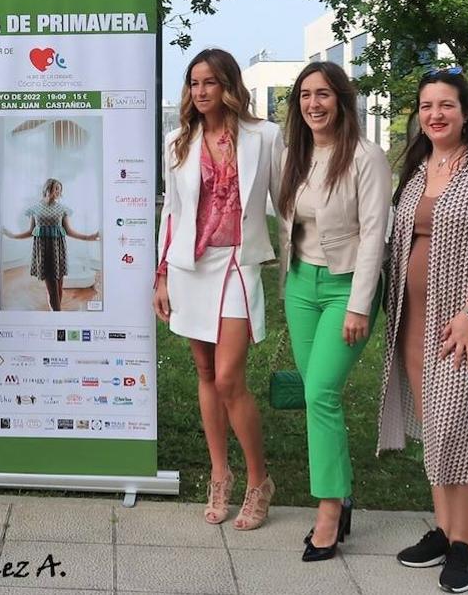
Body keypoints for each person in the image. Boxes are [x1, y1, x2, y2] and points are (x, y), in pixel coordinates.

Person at [377, 67, 468, 594]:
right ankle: (442, 530)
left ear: (465, 113)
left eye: (446, 105)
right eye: (426, 106)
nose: (435, 114)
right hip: (411, 322)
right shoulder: (418, 171)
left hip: (462, 324)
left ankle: (467, 543)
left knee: (457, 426)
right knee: (435, 427)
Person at [153, 48, 282, 530]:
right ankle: (220, 474)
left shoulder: (264, 136)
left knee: (229, 377)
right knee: (205, 372)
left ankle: (258, 480)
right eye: (193, 83)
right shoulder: (177, 142)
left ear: (228, 85)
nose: (200, 91)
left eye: (209, 82)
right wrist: (162, 274)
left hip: (237, 263)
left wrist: (294, 262)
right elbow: (172, 213)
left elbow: (283, 202)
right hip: (190, 265)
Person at [274, 62, 391, 561]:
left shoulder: (367, 157)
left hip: (347, 288)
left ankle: (328, 511)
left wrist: (360, 305)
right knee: (317, 395)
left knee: (320, 391)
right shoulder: (293, 154)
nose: (313, 104)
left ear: (342, 100)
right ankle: (340, 492)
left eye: (323, 94)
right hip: (300, 285)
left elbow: (374, 236)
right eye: (304, 95)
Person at [3, 178, 100, 311]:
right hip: (43, 251)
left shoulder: (62, 209)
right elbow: (30, 232)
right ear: (47, 188)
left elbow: (69, 231)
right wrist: (11, 235)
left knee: (59, 288)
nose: (57, 191)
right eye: (55, 188)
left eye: (59, 189)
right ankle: (57, 315)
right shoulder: (35, 209)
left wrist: (89, 237)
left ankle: (55, 315)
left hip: (58, 250)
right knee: (53, 289)